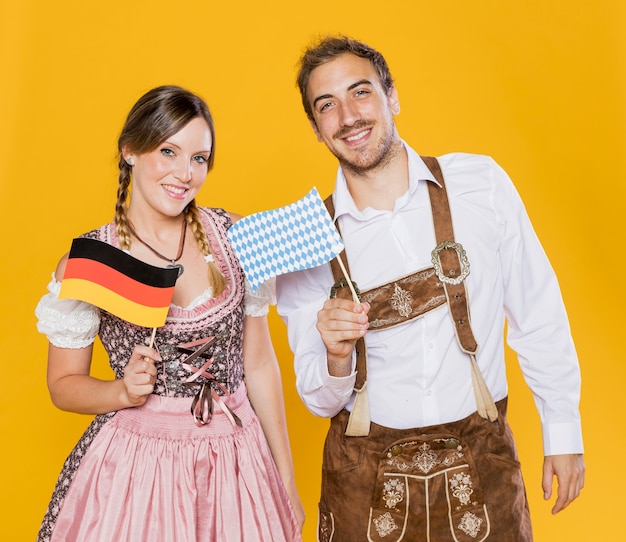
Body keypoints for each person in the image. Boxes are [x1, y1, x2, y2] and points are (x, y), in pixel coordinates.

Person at [276, 36, 584, 541]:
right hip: (363, 486)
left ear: (392, 97)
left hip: (481, 467)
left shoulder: (480, 183)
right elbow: (317, 399)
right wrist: (334, 356)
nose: (348, 115)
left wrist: (563, 431)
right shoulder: (306, 237)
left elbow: (537, 310)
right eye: (326, 105)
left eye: (361, 92)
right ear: (316, 128)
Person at [35, 85, 304, 541]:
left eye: (199, 158)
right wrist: (122, 392)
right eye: (168, 151)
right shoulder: (92, 260)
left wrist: (286, 479)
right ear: (130, 151)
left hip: (238, 459)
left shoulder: (238, 235)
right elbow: (63, 386)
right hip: (138, 465)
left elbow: (258, 363)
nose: (185, 173)